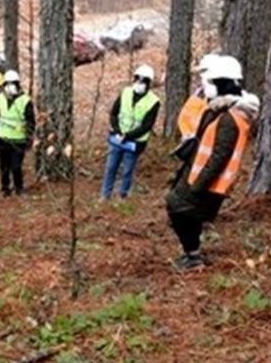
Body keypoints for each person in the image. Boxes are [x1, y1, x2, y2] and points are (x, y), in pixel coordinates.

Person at [166, 55, 259, 271]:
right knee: (180, 211)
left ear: (221, 83)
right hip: (196, 174)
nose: (203, 87)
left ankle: (193, 257)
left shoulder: (229, 118)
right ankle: (192, 253)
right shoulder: (221, 108)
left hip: (204, 180)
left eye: (208, 83)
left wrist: (198, 185)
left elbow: (219, 157)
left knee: (179, 210)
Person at [101, 64, 162, 199]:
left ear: (148, 83)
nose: (139, 83)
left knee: (127, 170)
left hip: (135, 142)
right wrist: (117, 130)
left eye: (143, 81)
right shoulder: (125, 93)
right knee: (110, 167)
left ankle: (123, 195)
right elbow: (114, 113)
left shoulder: (153, 102)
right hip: (117, 138)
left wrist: (127, 136)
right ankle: (105, 195)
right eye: (137, 79)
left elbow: (147, 125)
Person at [0, 70, 35, 196]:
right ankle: (5, 188)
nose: (10, 86)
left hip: (18, 140)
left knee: (16, 167)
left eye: (13, 83)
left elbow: (30, 121)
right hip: (2, 139)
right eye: (7, 83)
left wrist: (29, 138)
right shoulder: (0, 98)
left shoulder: (25, 101)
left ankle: (19, 188)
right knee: (4, 166)